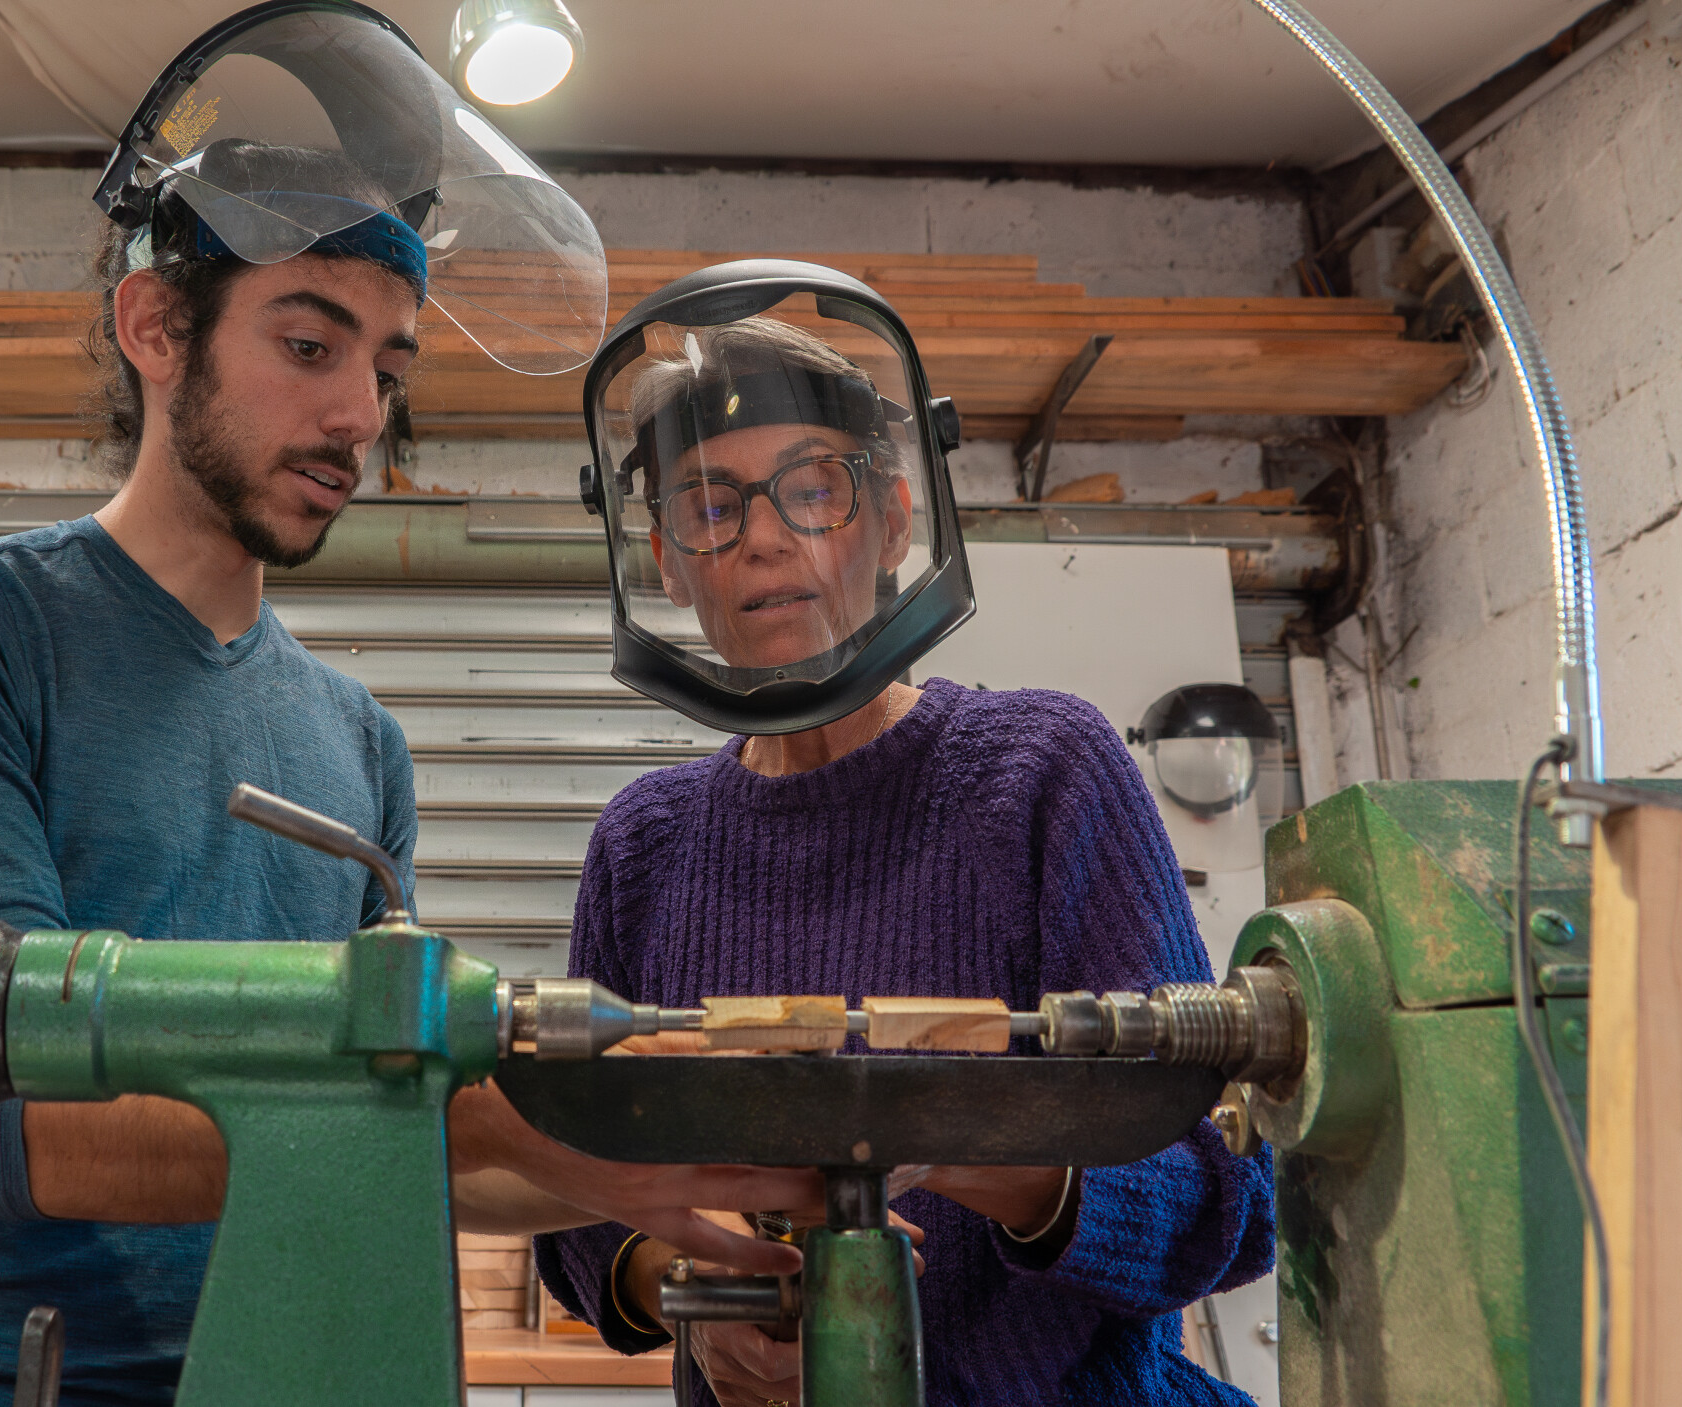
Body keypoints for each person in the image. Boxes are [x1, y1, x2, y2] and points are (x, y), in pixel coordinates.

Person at [0, 11, 814, 1393]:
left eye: (390, 370)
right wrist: (477, 1119)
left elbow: (399, 1136)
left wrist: (636, 1187)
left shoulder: (358, 742)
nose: (360, 416)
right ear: (156, 325)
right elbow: (11, 1120)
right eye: (309, 342)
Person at [535, 305, 1276, 1405]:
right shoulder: (644, 841)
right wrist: (690, 1287)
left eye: (811, 488)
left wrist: (928, 1138)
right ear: (666, 562)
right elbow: (573, 1200)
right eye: (708, 505)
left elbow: (1225, 1202)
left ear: (890, 520)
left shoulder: (1040, 771)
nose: (762, 536)